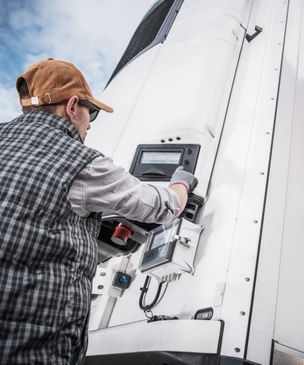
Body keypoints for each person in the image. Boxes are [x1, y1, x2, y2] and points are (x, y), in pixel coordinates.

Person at [0, 58, 197, 364]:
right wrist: (182, 182)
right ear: (72, 107)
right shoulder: (81, 162)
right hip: (29, 345)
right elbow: (161, 206)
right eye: (90, 113)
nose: (90, 123)